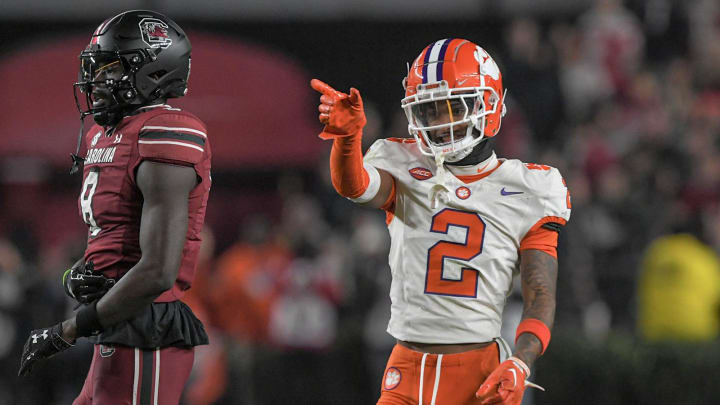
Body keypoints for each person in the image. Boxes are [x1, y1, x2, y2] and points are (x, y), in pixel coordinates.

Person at [311, 38, 571, 405]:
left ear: (489, 104)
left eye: (453, 107)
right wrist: (348, 140)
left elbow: (540, 292)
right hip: (406, 367)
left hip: (479, 371)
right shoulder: (405, 165)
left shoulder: (528, 188)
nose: (441, 122)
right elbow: (355, 186)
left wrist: (522, 361)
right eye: (430, 111)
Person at [18, 10, 212, 405]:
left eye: (110, 68)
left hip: (146, 326)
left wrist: (67, 330)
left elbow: (158, 270)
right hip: (119, 323)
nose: (96, 81)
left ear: (154, 71)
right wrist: (78, 275)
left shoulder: (165, 132)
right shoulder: (106, 134)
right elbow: (112, 234)